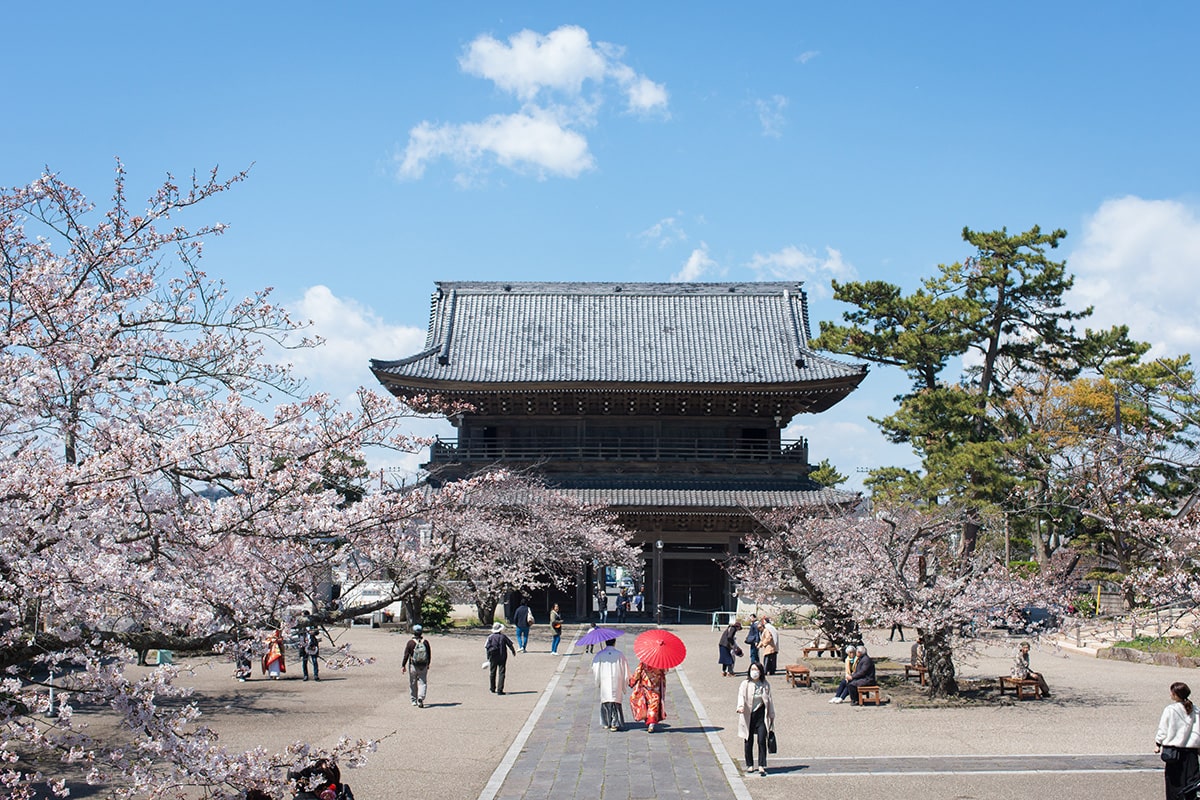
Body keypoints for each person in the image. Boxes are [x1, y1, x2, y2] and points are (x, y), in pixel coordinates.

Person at [1155, 681, 1200, 800]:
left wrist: (1158, 743)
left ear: (1176, 694)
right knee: (1191, 783)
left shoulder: (1170, 709)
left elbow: (1163, 728)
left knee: (1174, 784)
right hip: (1191, 751)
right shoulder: (1195, 709)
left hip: (1174, 752)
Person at [736, 661, 776, 776]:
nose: (754, 672)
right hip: (748, 715)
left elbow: (770, 700)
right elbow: (741, 696)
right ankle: (749, 764)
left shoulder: (765, 684)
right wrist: (740, 706)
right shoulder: (745, 684)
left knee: (762, 739)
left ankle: (762, 765)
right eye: (752, 669)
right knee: (748, 740)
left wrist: (772, 715)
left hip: (761, 716)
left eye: (757, 670)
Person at [592, 638, 630, 731]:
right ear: (614, 642)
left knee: (606, 700)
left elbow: (595, 668)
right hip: (617, 678)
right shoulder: (619, 654)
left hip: (605, 679)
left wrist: (598, 680)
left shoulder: (600, 654)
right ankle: (615, 723)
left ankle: (606, 722)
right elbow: (625, 668)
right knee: (615, 700)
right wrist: (625, 683)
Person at [628, 660, 668, 733]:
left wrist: (633, 681)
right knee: (654, 704)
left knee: (646, 702)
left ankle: (650, 722)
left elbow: (638, 671)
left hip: (646, 684)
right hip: (656, 685)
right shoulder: (661, 662)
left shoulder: (645, 661)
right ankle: (651, 723)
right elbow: (665, 671)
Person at [401, 624, 431, 707]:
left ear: (413, 632)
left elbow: (406, 655)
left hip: (413, 665)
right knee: (422, 682)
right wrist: (428, 664)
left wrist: (403, 665)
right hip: (423, 665)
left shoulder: (410, 643)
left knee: (413, 682)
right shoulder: (425, 642)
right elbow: (429, 654)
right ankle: (421, 697)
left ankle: (414, 699)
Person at [485, 621, 517, 695]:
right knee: (501, 672)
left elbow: (487, 647)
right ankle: (500, 690)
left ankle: (492, 688)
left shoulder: (490, 637)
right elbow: (510, 644)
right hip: (502, 656)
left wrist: (487, 657)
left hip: (493, 656)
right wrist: (513, 651)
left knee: (492, 672)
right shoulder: (503, 636)